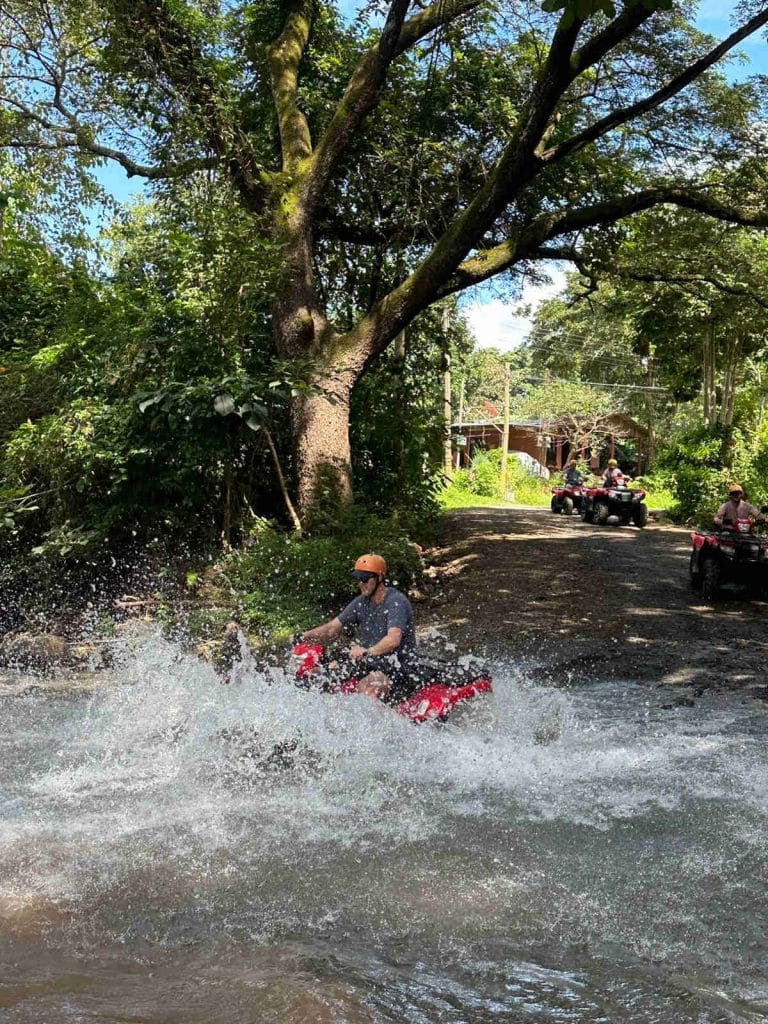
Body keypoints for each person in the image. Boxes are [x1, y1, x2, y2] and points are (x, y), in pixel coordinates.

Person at [301, 553, 419, 703]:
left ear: (380, 578)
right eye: (358, 579)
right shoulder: (360, 603)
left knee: (367, 687)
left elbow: (393, 639)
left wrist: (367, 651)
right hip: (372, 662)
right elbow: (331, 628)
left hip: (399, 666)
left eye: (365, 579)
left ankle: (381, 725)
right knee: (324, 675)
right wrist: (302, 636)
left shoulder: (396, 602)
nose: (361, 584)